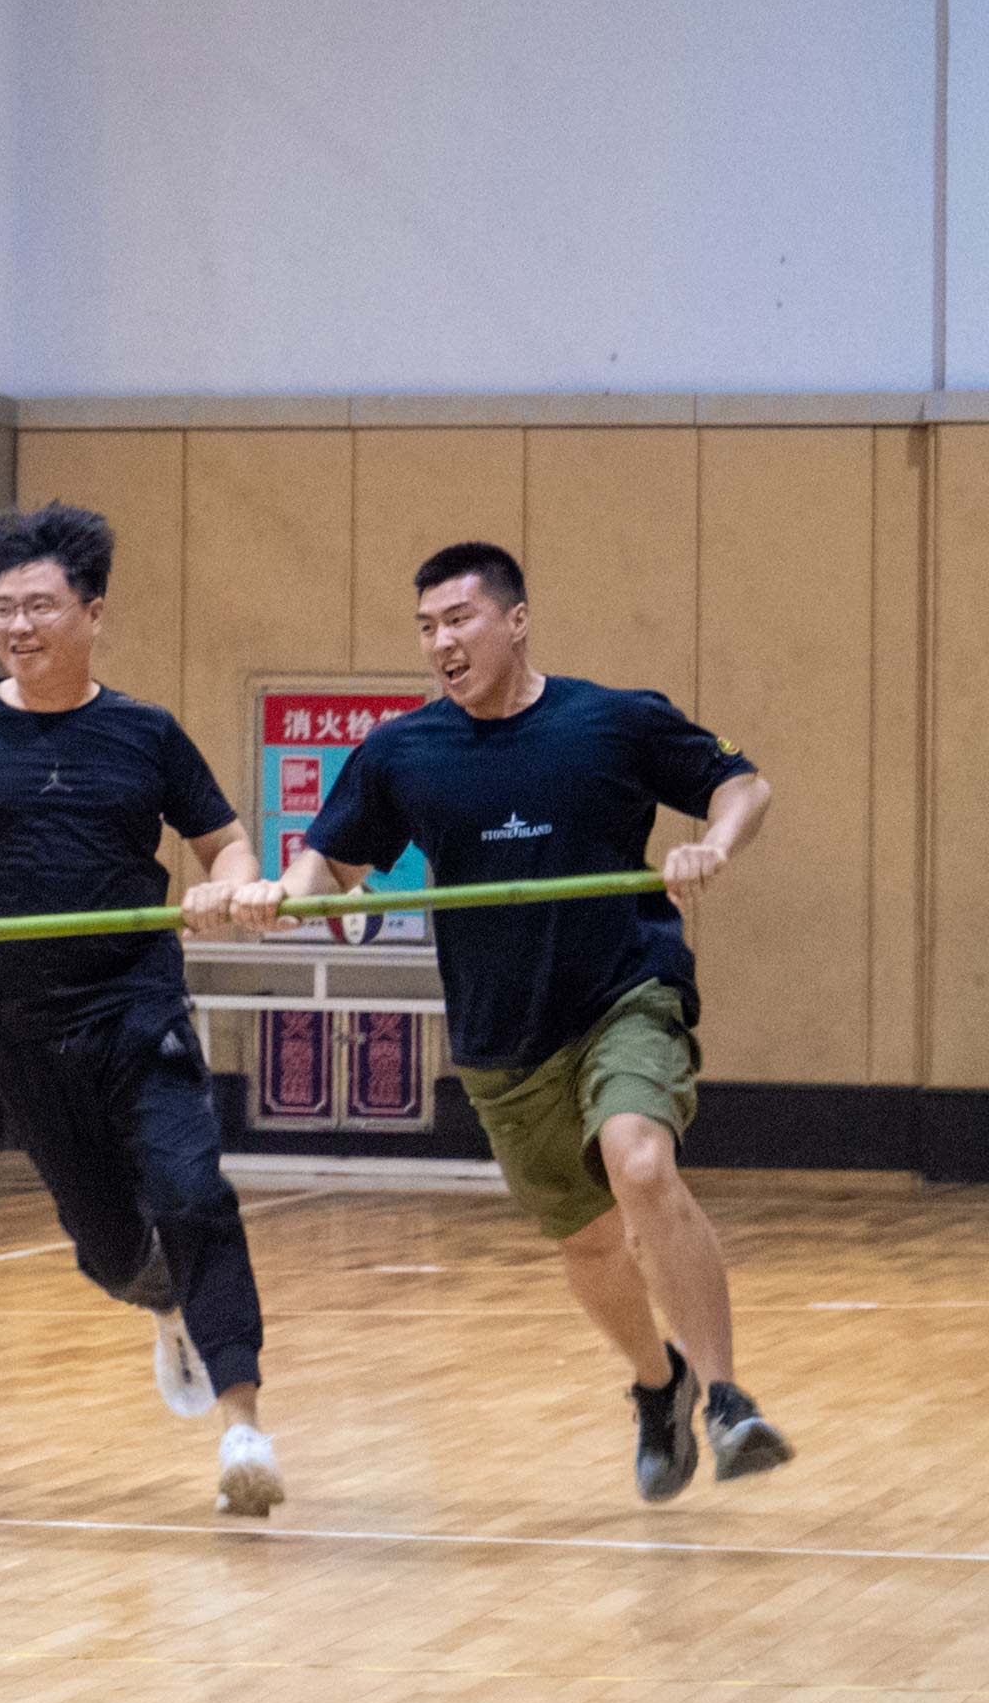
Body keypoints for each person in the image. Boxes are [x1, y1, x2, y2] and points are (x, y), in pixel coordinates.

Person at [238, 540, 790, 1499]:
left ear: (517, 619)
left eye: (459, 620)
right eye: (426, 628)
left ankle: (730, 1402)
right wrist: (280, 896)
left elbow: (743, 784)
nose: (440, 643)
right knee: (588, 1242)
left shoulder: (614, 721)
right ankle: (659, 1385)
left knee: (640, 1164)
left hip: (625, 993)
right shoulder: (402, 752)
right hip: (503, 1038)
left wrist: (715, 844)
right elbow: (331, 865)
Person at [0, 503, 285, 1517]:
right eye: (3, 608)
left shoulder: (145, 733)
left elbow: (227, 846)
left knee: (192, 1194)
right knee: (109, 1249)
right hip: (21, 1025)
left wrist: (228, 889)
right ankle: (165, 1305)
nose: (17, 626)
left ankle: (243, 1427)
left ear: (92, 612)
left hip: (135, 1005)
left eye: (39, 605)